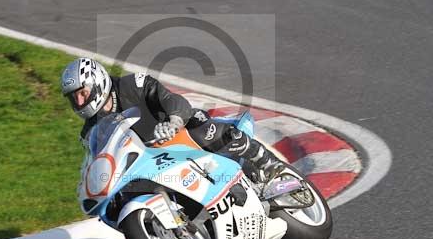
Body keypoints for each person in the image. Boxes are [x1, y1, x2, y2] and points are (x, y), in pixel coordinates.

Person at [60, 57, 284, 186]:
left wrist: (174, 121)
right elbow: (100, 161)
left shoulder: (132, 85)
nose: (79, 101)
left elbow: (169, 98)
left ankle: (268, 162)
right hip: (151, 162)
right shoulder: (89, 132)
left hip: (180, 131)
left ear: (97, 82)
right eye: (73, 98)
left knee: (207, 132)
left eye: (82, 93)